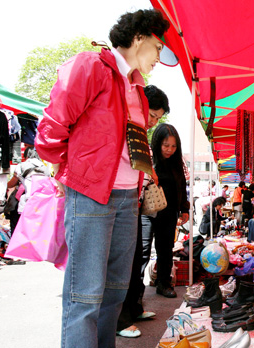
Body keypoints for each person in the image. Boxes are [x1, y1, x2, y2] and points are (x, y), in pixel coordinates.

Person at [35, 9, 175, 348]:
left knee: (115, 291)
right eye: (159, 48)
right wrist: (62, 169)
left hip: (128, 199)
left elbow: (132, 146)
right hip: (92, 195)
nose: (159, 58)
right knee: (85, 295)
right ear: (140, 37)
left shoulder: (139, 89)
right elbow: (53, 124)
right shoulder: (90, 66)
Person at [117, 84, 169, 338]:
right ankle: (120, 320)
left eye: (158, 118)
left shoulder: (137, 132)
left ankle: (134, 309)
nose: (153, 122)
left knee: (136, 259)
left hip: (133, 206)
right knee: (123, 266)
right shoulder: (123, 125)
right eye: (153, 116)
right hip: (120, 204)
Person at [144, 123, 190, 299]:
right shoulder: (148, 158)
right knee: (143, 250)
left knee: (165, 249)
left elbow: (181, 185)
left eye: (173, 146)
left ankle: (163, 283)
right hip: (146, 211)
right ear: (157, 143)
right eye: (165, 145)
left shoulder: (177, 162)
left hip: (169, 211)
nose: (169, 150)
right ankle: (135, 292)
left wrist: (184, 209)